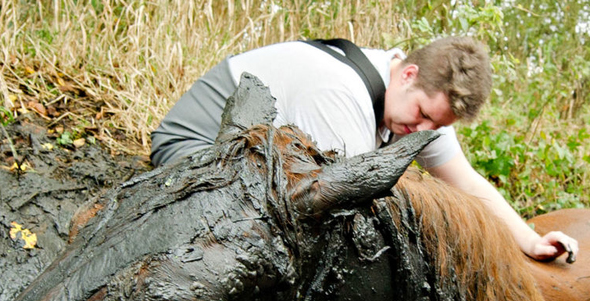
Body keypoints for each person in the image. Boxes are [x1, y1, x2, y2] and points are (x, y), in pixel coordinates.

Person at [150, 36, 578, 262]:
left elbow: (466, 181)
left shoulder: (415, 103)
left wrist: (529, 240)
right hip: (195, 149)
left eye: (436, 126)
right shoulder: (342, 94)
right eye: (423, 115)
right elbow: (348, 211)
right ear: (408, 73)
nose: (422, 130)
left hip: (256, 155)